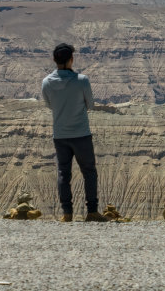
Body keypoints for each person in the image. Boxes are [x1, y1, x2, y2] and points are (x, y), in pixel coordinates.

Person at [42, 42, 108, 222]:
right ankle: (92, 212)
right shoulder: (82, 80)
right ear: (71, 60)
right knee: (89, 172)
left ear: (54, 60)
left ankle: (67, 213)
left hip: (60, 135)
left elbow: (49, 105)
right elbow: (91, 105)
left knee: (64, 173)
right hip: (81, 134)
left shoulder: (46, 82)